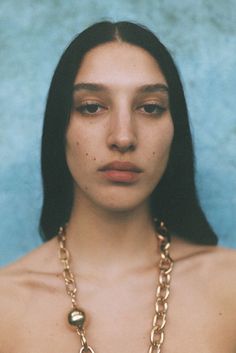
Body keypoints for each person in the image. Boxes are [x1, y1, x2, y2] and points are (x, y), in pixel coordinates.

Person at [0, 21, 235, 353]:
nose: (123, 137)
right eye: (92, 107)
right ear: (60, 128)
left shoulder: (230, 288)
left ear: (174, 130)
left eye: (150, 108)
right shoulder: (5, 306)